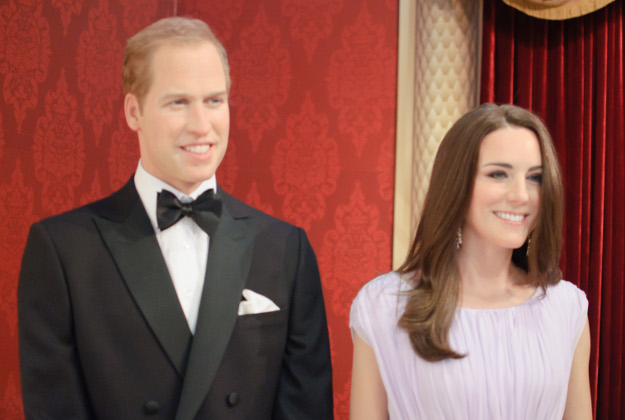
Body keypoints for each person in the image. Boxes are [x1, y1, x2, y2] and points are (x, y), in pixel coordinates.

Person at [18, 17, 333, 420]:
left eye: (214, 100)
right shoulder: (63, 250)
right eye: (178, 102)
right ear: (134, 111)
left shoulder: (287, 249)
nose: (202, 125)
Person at [350, 104, 591, 419]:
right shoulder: (383, 306)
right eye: (498, 174)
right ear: (456, 185)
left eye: (535, 178)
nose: (522, 195)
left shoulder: (565, 308)